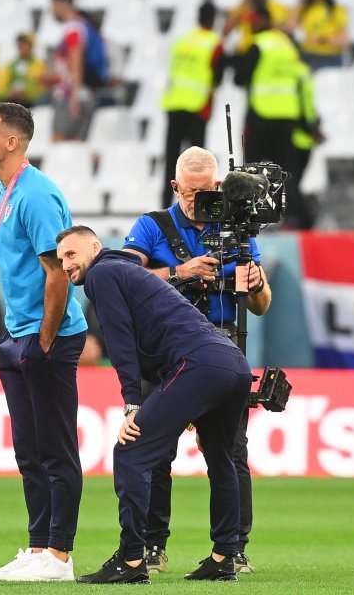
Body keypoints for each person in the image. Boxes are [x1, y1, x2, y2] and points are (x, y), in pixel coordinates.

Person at [55, 226, 252, 584]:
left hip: (198, 364)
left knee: (130, 451)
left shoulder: (103, 272)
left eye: (71, 254)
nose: (66, 265)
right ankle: (225, 555)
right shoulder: (127, 271)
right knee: (221, 458)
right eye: (60, 260)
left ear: (95, 247)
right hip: (232, 362)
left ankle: (131, 560)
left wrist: (132, 403)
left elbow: (119, 338)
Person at [122, 146, 271, 575]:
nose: (198, 200)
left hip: (221, 353)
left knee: (228, 454)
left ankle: (232, 549)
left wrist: (256, 281)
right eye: (190, 192)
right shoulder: (152, 227)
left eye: (206, 191)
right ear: (175, 186)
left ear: (219, 185)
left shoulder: (239, 230)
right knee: (154, 451)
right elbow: (126, 281)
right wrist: (180, 274)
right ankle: (152, 546)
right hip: (164, 356)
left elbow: (261, 305)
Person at [0, 102, 88, 581]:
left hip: (49, 337)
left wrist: (43, 341)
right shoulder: (6, 190)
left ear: (12, 141)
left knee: (56, 449)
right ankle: (39, 547)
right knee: (29, 450)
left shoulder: (36, 195)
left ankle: (59, 556)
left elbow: (58, 273)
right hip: (21, 333)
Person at [161, 2, 223, 207]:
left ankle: (164, 205)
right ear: (214, 20)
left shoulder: (182, 41)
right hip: (197, 107)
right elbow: (217, 78)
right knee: (197, 164)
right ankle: (197, 205)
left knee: (172, 160)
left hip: (174, 103)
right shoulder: (214, 42)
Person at [234, 3, 302, 192]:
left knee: (253, 169)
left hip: (261, 115)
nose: (251, 27)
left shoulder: (259, 45)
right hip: (287, 114)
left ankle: (253, 215)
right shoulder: (287, 44)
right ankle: (289, 216)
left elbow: (239, 78)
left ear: (263, 21)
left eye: (253, 22)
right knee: (284, 170)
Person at [49, 0, 108, 141]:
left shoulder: (74, 29)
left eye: (53, 6)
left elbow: (76, 61)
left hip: (71, 94)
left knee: (60, 141)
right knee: (77, 144)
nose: (52, 11)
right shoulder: (85, 26)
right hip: (85, 92)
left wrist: (74, 97)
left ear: (63, 4)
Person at [289, 60, 324, 229]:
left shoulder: (292, 74)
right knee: (292, 183)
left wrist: (311, 129)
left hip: (296, 138)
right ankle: (300, 220)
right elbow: (309, 106)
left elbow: (302, 107)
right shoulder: (304, 72)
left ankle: (305, 222)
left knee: (291, 184)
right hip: (304, 139)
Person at [289, 0, 349, 71]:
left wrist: (319, 39)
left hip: (329, 58)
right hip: (307, 56)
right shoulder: (305, 9)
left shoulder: (336, 9)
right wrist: (300, 1)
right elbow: (290, 27)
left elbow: (343, 40)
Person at [0, 33, 48, 109]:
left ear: (31, 46)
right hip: (11, 100)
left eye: (26, 44)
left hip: (31, 102)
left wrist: (26, 93)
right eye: (21, 44)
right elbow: (0, 87)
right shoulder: (9, 66)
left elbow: (41, 88)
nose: (23, 47)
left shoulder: (39, 65)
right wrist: (9, 93)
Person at [224, 0, 290, 55]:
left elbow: (286, 30)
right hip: (245, 52)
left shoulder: (277, 7)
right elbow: (225, 31)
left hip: (268, 51)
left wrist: (267, 23)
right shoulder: (242, 8)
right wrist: (245, 4)